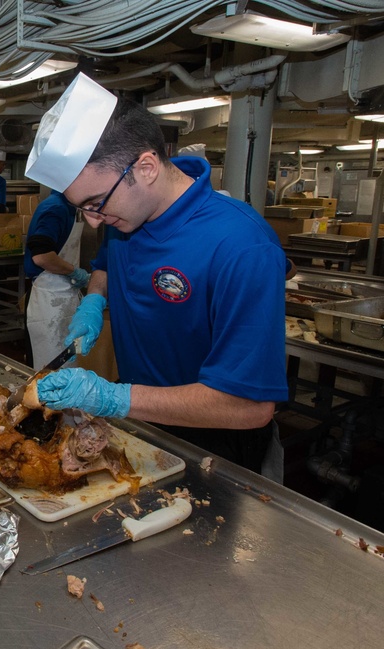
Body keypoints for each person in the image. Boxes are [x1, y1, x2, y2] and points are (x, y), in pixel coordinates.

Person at [23, 73, 288, 478]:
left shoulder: (241, 247)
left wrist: (112, 398)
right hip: (142, 419)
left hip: (215, 442)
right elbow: (108, 263)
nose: (94, 223)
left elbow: (249, 406)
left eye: (96, 203)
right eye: (83, 209)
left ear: (145, 167)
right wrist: (95, 299)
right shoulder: (127, 211)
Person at [23, 189, 89, 367]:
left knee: (64, 367)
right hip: (47, 299)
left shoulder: (69, 207)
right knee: (48, 369)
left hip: (65, 295)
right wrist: (74, 271)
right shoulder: (56, 208)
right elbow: (41, 256)